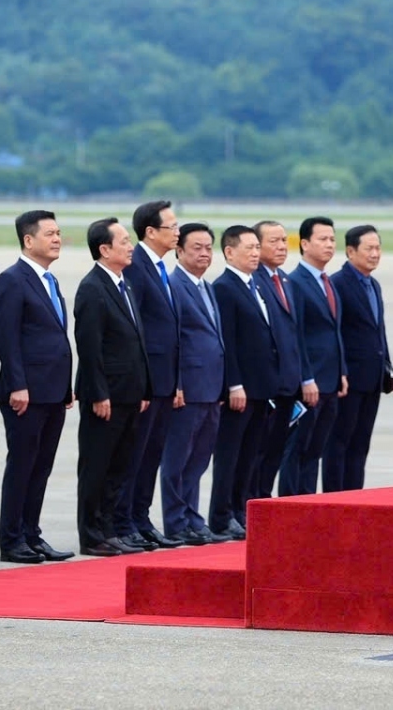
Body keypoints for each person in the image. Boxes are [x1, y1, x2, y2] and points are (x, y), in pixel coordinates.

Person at [0, 210, 76, 564]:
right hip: (26, 391)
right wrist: (18, 384)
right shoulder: (12, 280)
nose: (57, 239)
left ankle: (31, 533)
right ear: (28, 240)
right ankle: (12, 539)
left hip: (53, 390)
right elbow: (7, 339)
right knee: (23, 464)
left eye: (58, 233)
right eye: (50, 234)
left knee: (42, 465)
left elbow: (56, 338)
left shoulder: (50, 281)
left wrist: (66, 385)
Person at [74, 218, 153, 557]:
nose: (131, 245)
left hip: (131, 394)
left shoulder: (125, 284)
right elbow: (89, 347)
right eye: (123, 241)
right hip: (107, 396)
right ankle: (92, 534)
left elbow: (136, 342)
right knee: (97, 466)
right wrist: (98, 393)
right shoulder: (92, 288)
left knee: (120, 466)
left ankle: (108, 529)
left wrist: (145, 388)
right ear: (104, 249)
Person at [115, 200, 182, 551]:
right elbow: (134, 329)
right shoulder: (136, 266)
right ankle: (124, 521)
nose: (178, 232)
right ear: (151, 231)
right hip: (146, 381)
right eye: (171, 226)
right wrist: (141, 382)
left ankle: (141, 518)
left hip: (165, 380)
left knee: (152, 454)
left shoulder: (159, 267)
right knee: (135, 455)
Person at [161, 223, 230, 545]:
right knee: (178, 458)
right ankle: (176, 522)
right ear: (179, 251)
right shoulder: (174, 286)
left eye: (208, 248)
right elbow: (174, 341)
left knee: (200, 458)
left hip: (211, 387)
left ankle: (192, 517)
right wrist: (177, 385)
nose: (204, 254)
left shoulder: (207, 287)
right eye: (196, 247)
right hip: (188, 388)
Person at [208, 225, 275, 540]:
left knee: (250, 454)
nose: (254, 252)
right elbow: (228, 342)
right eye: (248, 247)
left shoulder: (255, 285)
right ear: (229, 252)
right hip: (241, 389)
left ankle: (238, 511)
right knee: (230, 454)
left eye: (256, 247)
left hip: (262, 387)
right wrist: (233, 384)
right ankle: (221, 516)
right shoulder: (225, 287)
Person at [279, 216, 347, 496]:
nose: (329, 245)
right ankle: (289, 505)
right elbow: (297, 336)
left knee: (315, 451)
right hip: (310, 382)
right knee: (296, 449)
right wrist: (306, 377)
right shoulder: (296, 282)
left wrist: (342, 370)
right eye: (322, 239)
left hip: (331, 380)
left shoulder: (326, 282)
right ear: (304, 244)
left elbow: (334, 331)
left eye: (332, 239)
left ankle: (307, 506)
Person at [325, 225, 392, 492]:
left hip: (373, 377)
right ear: (351, 251)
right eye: (369, 248)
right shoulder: (338, 283)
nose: (375, 254)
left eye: (378, 248)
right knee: (339, 442)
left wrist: (386, 365)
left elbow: (378, 330)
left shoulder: (373, 284)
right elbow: (336, 332)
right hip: (349, 378)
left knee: (360, 444)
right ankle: (335, 498)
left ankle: (354, 497)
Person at [252, 220, 312, 499]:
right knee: (258, 454)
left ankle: (262, 505)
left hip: (289, 386)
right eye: (272, 241)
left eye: (283, 240)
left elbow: (295, 336)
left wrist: (303, 378)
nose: (281, 247)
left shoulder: (285, 281)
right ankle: (247, 508)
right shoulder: (255, 281)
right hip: (268, 387)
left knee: (274, 454)